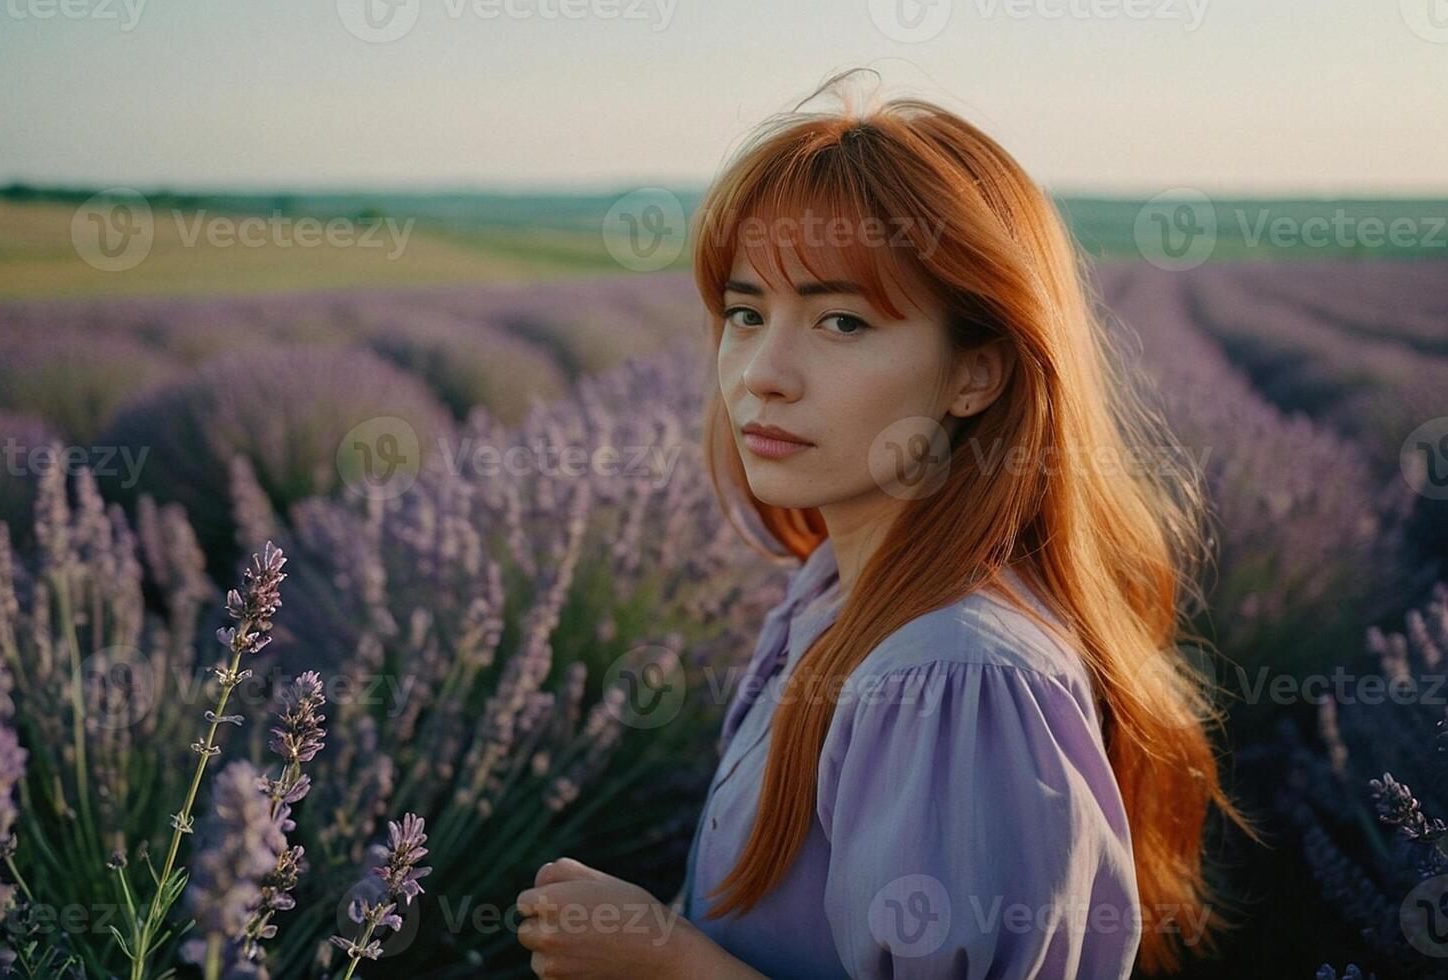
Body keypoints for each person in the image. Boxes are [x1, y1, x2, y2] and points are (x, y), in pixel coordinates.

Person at [515, 67, 1258, 979]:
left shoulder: (953, 675)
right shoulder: (836, 591)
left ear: (974, 375)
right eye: (745, 313)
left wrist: (668, 963)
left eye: (841, 323)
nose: (762, 373)